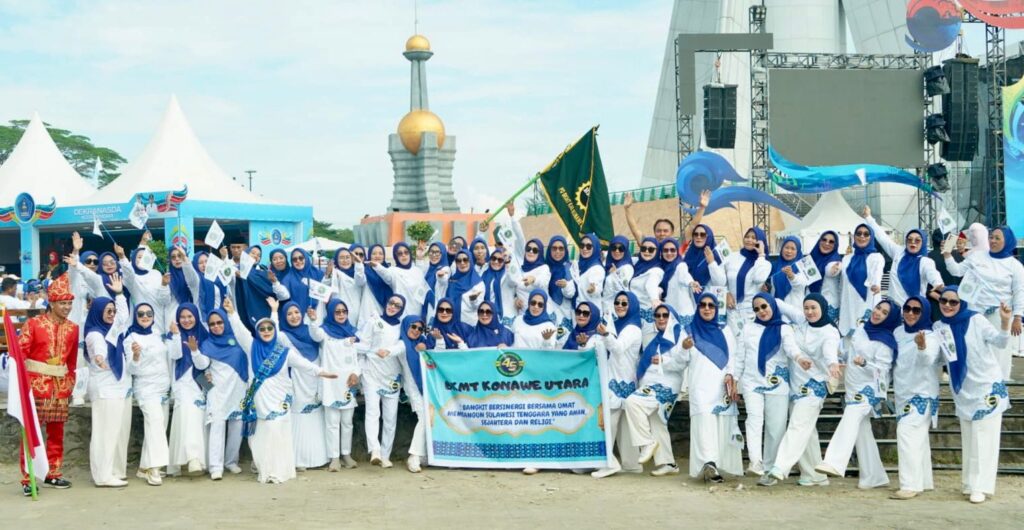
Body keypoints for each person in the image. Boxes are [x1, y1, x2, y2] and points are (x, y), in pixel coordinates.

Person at [934, 286, 1012, 504]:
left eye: (953, 302)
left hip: (987, 387)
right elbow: (938, 358)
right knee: (969, 438)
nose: (948, 305)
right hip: (963, 391)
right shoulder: (939, 327)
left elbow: (1000, 342)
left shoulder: (976, 320)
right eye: (944, 301)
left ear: (962, 303)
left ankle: (981, 486)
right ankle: (969, 483)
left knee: (984, 439)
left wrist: (1005, 322)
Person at [240, 316, 337, 484]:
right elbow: (239, 330)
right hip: (259, 402)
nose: (266, 331)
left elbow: (304, 364)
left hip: (279, 400)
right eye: (262, 329)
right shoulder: (252, 347)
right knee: (258, 438)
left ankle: (276, 472)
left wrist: (321, 372)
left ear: (275, 331)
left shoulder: (284, 353)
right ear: (257, 332)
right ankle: (265, 469)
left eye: (270, 328)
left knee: (277, 433)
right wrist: (231, 313)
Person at [816, 298, 899, 489]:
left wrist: (865, 363)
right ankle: (874, 476)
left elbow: (883, 370)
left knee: (850, 417)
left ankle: (834, 461)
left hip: (869, 389)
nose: (878, 313)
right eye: (878, 308)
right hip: (852, 386)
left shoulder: (886, 341)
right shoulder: (862, 329)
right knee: (862, 432)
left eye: (885, 313)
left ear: (890, 318)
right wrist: (840, 357)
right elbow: (850, 353)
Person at [762, 293, 840, 487]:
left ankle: (780, 466)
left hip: (814, 386)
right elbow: (778, 303)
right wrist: (764, 297)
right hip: (795, 386)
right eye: (807, 308)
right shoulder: (801, 320)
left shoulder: (830, 332)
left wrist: (832, 364)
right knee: (808, 431)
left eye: (814, 308)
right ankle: (814, 475)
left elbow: (830, 350)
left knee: (797, 425)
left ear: (822, 308)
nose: (810, 312)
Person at [17, 272, 78, 495]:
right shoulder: (34, 324)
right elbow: (20, 354)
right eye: (63, 303)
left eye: (69, 303)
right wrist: (22, 384)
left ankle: (53, 473)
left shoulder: (73, 328)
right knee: (31, 433)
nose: (67, 307)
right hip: (36, 385)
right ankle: (28, 477)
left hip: (60, 387)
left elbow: (71, 361)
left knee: (57, 433)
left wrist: (70, 383)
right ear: (52, 303)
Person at [943, 226, 1023, 381]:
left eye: (997, 238)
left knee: (999, 353)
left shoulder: (1015, 266)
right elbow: (956, 271)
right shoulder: (977, 256)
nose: (992, 241)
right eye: (991, 237)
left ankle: (999, 387)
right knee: (975, 349)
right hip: (975, 314)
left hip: (1000, 316)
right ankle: (977, 385)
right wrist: (947, 253)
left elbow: (1020, 292)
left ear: (1008, 241)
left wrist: (1018, 318)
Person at [681, 293, 743, 481]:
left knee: (721, 423)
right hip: (699, 385)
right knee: (704, 422)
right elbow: (679, 361)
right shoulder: (688, 331)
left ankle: (722, 466)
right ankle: (709, 464)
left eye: (711, 305)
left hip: (721, 384)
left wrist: (731, 375)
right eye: (703, 305)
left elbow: (733, 355)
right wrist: (683, 348)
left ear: (716, 308)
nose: (707, 308)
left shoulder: (725, 330)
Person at [735, 293, 797, 478]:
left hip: (777, 383)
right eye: (756, 309)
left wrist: (799, 358)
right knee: (753, 420)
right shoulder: (748, 328)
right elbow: (740, 357)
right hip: (752, 382)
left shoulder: (784, 328)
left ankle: (772, 467)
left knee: (775, 427)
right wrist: (734, 378)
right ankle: (755, 462)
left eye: (764, 306)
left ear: (772, 305)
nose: (761, 311)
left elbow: (791, 348)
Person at [623, 306, 687, 477]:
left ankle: (646, 442)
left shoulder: (680, 336)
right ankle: (669, 463)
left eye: (665, 315)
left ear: (672, 317)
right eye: (657, 315)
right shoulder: (656, 339)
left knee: (632, 402)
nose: (661, 318)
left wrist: (663, 360)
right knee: (657, 420)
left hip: (666, 385)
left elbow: (682, 362)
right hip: (651, 384)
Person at [889, 296, 942, 500]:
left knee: (907, 433)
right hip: (902, 393)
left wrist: (921, 346)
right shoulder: (898, 332)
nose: (910, 313)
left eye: (916, 310)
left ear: (925, 312)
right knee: (918, 438)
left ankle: (910, 484)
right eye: (907, 309)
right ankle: (924, 481)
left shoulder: (931, 336)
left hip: (922, 394)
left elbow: (928, 360)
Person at [84, 278, 132, 488]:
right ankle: (103, 476)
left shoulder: (112, 329)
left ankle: (112, 470)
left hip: (116, 387)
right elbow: (99, 350)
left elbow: (123, 316)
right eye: (108, 311)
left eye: (113, 310)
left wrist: (119, 295)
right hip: (104, 389)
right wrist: (99, 358)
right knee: (105, 433)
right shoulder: (95, 333)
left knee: (115, 432)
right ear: (97, 312)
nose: (112, 314)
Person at [271, 299, 329, 470]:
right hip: (297, 381)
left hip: (316, 377)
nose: (294, 316)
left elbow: (318, 336)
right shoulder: (284, 336)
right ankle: (299, 460)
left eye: (296, 312)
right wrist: (274, 311)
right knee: (300, 414)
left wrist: (313, 320)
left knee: (316, 412)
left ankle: (320, 458)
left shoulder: (310, 330)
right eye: (289, 314)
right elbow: (274, 334)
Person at [306, 299, 362, 472]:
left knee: (347, 422)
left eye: (344, 311)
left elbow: (360, 357)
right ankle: (334, 458)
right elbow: (315, 335)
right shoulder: (325, 331)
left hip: (348, 382)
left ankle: (346, 454)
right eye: (337, 312)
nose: (341, 314)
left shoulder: (353, 332)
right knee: (332, 422)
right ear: (330, 313)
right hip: (330, 382)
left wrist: (356, 373)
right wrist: (313, 320)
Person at [592, 291, 643, 478]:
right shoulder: (620, 324)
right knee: (622, 425)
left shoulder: (632, 329)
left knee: (608, 423)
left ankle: (610, 463)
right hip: (619, 377)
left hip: (621, 380)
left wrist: (606, 334)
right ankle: (631, 464)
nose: (620, 306)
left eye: (624, 303)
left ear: (632, 306)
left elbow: (618, 348)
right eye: (617, 302)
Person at [198, 302, 251, 480]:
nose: (216, 326)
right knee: (217, 425)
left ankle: (231, 461)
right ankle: (215, 466)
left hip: (238, 388)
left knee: (237, 425)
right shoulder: (206, 344)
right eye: (212, 324)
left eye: (219, 322)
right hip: (217, 391)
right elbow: (200, 369)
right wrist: (207, 386)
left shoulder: (238, 339)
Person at [119, 302, 170, 486]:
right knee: (155, 422)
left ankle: (143, 467)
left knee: (157, 427)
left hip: (163, 387)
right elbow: (131, 369)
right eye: (141, 314)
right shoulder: (130, 338)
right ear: (135, 317)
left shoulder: (157, 334)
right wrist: (136, 356)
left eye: (149, 313)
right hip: (146, 387)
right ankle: (154, 468)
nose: (145, 317)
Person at [356, 294, 406, 468]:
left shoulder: (402, 326)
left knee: (390, 418)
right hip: (372, 373)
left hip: (392, 376)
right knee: (372, 412)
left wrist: (389, 351)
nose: (393, 307)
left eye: (398, 305)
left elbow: (402, 345)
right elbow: (363, 345)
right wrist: (348, 344)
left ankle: (385, 455)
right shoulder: (373, 321)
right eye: (391, 303)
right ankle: (375, 450)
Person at [862, 206, 943, 307]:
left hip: (914, 309)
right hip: (893, 308)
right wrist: (868, 217)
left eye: (917, 240)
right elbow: (882, 237)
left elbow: (932, 273)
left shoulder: (925, 261)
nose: (913, 242)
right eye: (909, 239)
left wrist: (937, 283)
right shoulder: (898, 252)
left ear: (923, 243)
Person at [165, 303, 210, 477]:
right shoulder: (172, 335)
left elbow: (204, 364)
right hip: (182, 383)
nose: (186, 320)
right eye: (182, 317)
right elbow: (175, 355)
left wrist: (195, 351)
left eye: (190, 316)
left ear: (196, 317)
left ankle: (198, 459)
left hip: (200, 384)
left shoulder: (204, 334)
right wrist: (177, 335)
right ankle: (192, 458)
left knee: (197, 418)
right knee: (186, 415)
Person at [396, 315, 440, 473]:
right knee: (424, 417)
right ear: (406, 326)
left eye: (420, 329)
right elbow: (395, 350)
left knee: (430, 418)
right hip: (413, 388)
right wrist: (385, 351)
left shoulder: (423, 342)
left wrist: (437, 340)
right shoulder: (403, 343)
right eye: (413, 327)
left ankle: (424, 455)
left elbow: (438, 353)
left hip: (427, 387)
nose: (416, 331)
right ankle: (414, 455)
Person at [837, 224, 884, 338]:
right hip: (849, 305)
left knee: (866, 340)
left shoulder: (876, 257)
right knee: (849, 341)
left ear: (871, 237)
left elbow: (876, 273)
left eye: (866, 234)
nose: (862, 236)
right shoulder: (846, 258)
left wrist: (876, 284)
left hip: (867, 303)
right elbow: (842, 284)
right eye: (859, 233)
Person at [723, 227, 769, 337]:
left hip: (751, 312)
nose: (749, 240)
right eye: (747, 237)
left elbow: (759, 278)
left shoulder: (764, 263)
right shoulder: (732, 257)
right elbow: (722, 279)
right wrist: (726, 293)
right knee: (732, 341)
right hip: (731, 310)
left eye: (754, 238)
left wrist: (761, 255)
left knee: (750, 341)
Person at [371, 242, 432, 318]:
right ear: (395, 256)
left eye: (406, 252)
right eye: (400, 253)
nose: (403, 255)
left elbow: (422, 273)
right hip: (403, 315)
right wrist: (377, 266)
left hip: (419, 313)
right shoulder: (393, 271)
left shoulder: (417, 270)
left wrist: (419, 258)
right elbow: (386, 275)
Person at [629, 237, 665, 347]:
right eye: (644, 248)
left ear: (657, 251)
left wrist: (655, 299)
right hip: (634, 314)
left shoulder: (656, 270)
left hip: (648, 317)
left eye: (651, 249)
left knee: (648, 350)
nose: (647, 252)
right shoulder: (638, 265)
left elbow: (651, 284)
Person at [324, 247, 367, 328]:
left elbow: (361, 281)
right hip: (338, 314)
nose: (345, 260)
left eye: (347, 257)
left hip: (356, 315)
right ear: (336, 260)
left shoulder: (358, 272)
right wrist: (328, 275)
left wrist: (358, 264)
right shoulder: (334, 273)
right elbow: (324, 289)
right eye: (341, 258)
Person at [682, 224, 726, 299]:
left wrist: (711, 263)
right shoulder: (687, 256)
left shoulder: (718, 256)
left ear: (709, 237)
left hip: (707, 302)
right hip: (688, 301)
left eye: (702, 235)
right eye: (695, 234)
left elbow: (720, 283)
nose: (698, 237)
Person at [807, 231, 843, 321]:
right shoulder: (811, 258)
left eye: (831, 242)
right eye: (824, 240)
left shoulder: (835, 260)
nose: (827, 243)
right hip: (811, 305)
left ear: (835, 245)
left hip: (829, 306)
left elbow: (831, 269)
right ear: (819, 241)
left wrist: (834, 270)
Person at [768, 236, 809, 312]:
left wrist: (792, 276)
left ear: (798, 251)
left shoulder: (803, 265)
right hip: (776, 307)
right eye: (786, 247)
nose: (789, 251)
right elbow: (771, 284)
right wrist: (766, 286)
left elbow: (802, 283)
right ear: (782, 248)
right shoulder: (774, 265)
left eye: (793, 249)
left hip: (794, 309)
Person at [510, 239, 550, 317]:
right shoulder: (520, 269)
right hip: (523, 315)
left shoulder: (544, 268)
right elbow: (514, 288)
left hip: (540, 315)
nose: (531, 252)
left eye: (535, 250)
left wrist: (534, 279)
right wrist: (516, 299)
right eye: (528, 249)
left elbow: (544, 283)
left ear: (540, 253)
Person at [658, 238, 695, 322]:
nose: (669, 253)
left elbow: (684, 276)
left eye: (672, 250)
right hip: (666, 313)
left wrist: (691, 282)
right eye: (665, 250)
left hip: (682, 313)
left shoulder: (680, 265)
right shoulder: (659, 267)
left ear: (677, 251)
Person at [446, 250, 485, 326]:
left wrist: (474, 300)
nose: (462, 263)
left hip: (469, 325)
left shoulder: (478, 283)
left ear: (471, 261)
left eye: (465, 260)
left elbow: (480, 308)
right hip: (451, 324)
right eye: (459, 260)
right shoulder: (452, 280)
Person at [546, 236, 576, 331]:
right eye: (554, 248)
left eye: (561, 248)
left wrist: (566, 285)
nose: (557, 251)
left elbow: (571, 293)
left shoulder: (570, 268)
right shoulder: (544, 268)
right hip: (547, 312)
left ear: (566, 250)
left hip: (565, 313)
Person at [360, 244, 394, 328]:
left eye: (380, 253)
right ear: (369, 255)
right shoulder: (364, 271)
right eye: (374, 253)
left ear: (384, 256)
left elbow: (389, 280)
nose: (377, 256)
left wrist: (377, 267)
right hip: (368, 310)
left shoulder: (389, 271)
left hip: (386, 310)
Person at [481, 249, 517, 327]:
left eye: (500, 260)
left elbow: (513, 281)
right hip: (486, 314)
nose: (496, 262)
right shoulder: (484, 274)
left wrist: (508, 264)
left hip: (505, 316)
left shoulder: (507, 274)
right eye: (494, 258)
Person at [572, 233, 606, 309]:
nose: (585, 249)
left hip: (590, 311)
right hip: (577, 310)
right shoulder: (577, 265)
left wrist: (593, 289)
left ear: (595, 248)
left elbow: (597, 286)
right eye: (582, 245)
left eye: (589, 246)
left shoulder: (597, 268)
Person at [603, 236, 635, 315]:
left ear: (626, 250)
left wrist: (614, 275)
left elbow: (622, 289)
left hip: (617, 311)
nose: (617, 251)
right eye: (614, 248)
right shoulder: (608, 266)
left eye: (621, 248)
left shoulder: (627, 268)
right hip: (605, 309)